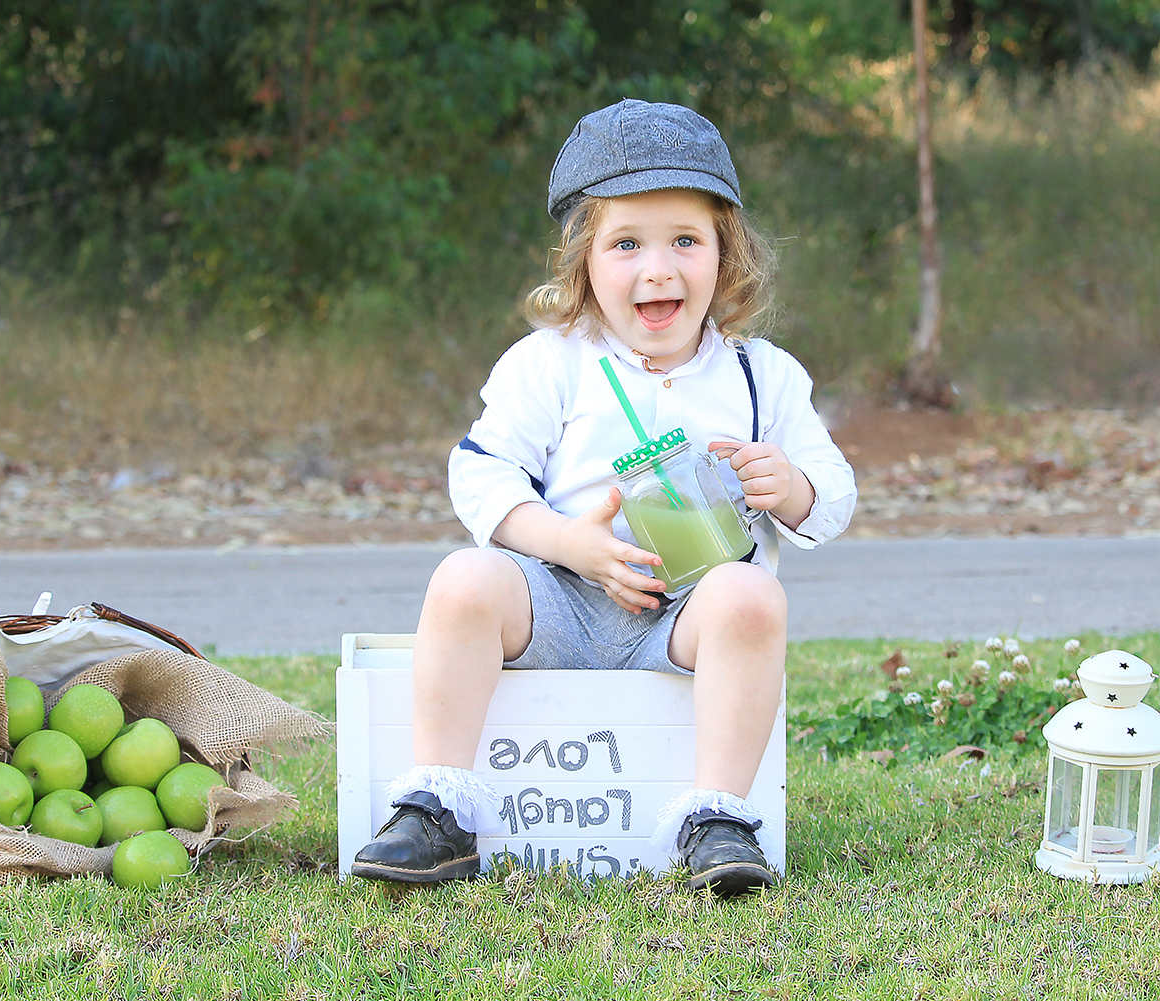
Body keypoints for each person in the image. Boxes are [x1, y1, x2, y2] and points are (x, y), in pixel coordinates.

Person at [350, 98, 856, 896]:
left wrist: (790, 486)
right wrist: (566, 543)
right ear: (583, 261)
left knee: (752, 597)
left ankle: (718, 816)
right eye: (626, 244)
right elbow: (480, 474)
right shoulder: (553, 362)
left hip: (687, 616)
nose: (658, 268)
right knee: (463, 579)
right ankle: (438, 807)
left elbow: (833, 498)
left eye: (685, 240)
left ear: (728, 256)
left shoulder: (764, 375)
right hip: (560, 598)